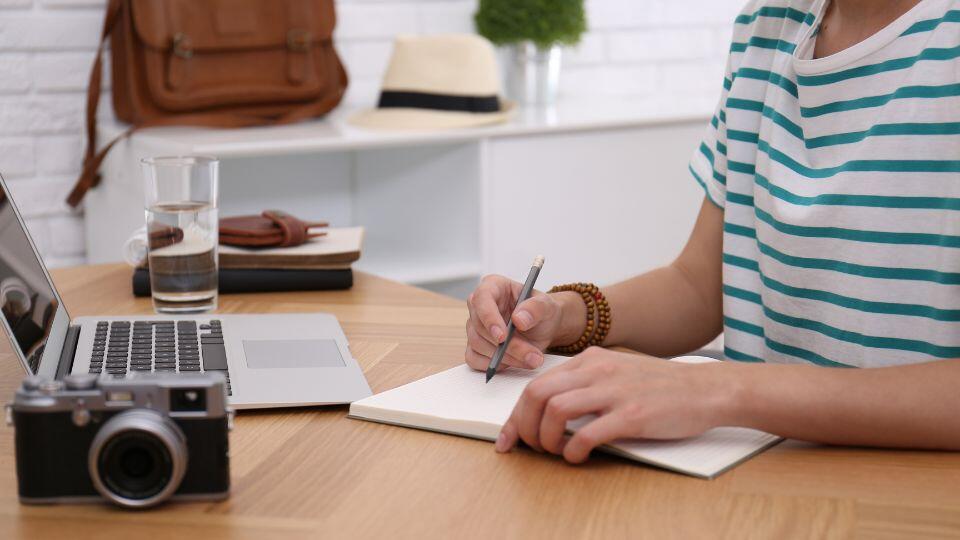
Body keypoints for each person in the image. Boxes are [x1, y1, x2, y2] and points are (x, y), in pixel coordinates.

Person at [464, 0, 960, 464]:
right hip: (759, 471)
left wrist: (721, 390)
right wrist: (562, 315)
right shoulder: (766, 24)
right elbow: (700, 285)